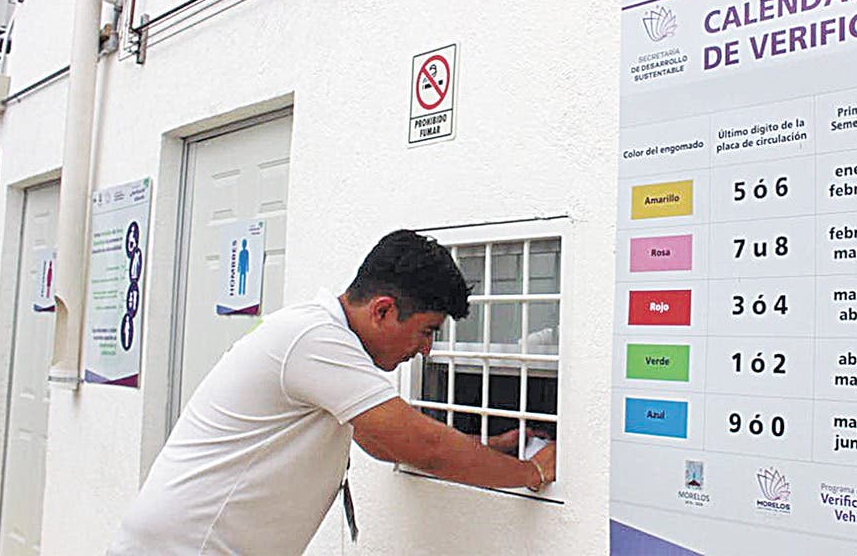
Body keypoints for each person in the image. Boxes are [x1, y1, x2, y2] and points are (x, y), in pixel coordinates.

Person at [108, 230, 557, 555]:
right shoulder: (315, 339)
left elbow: (381, 442)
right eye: (426, 331)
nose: (426, 350)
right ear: (383, 310)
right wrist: (531, 472)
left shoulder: (321, 337)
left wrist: (490, 447)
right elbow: (424, 446)